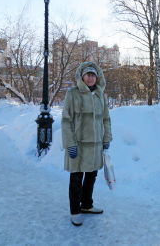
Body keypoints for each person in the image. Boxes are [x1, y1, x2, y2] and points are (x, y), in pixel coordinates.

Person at [61, 61, 112, 226]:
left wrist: (106, 139)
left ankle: (87, 205)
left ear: (97, 77)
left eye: (93, 75)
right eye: (88, 74)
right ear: (82, 76)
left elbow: (106, 119)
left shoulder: (100, 95)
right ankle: (75, 210)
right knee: (76, 178)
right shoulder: (72, 94)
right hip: (79, 145)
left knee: (91, 176)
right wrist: (70, 144)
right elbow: (66, 120)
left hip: (96, 145)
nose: (90, 78)